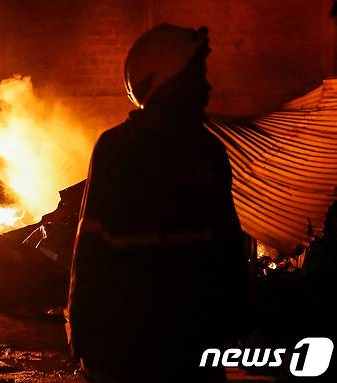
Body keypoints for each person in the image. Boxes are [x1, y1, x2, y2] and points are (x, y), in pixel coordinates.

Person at [66, 25, 249, 382]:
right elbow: (89, 254)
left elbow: (227, 248)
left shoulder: (208, 153)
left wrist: (236, 324)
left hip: (188, 349)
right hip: (131, 350)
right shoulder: (119, 151)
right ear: (170, 82)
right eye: (197, 76)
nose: (207, 88)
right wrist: (84, 332)